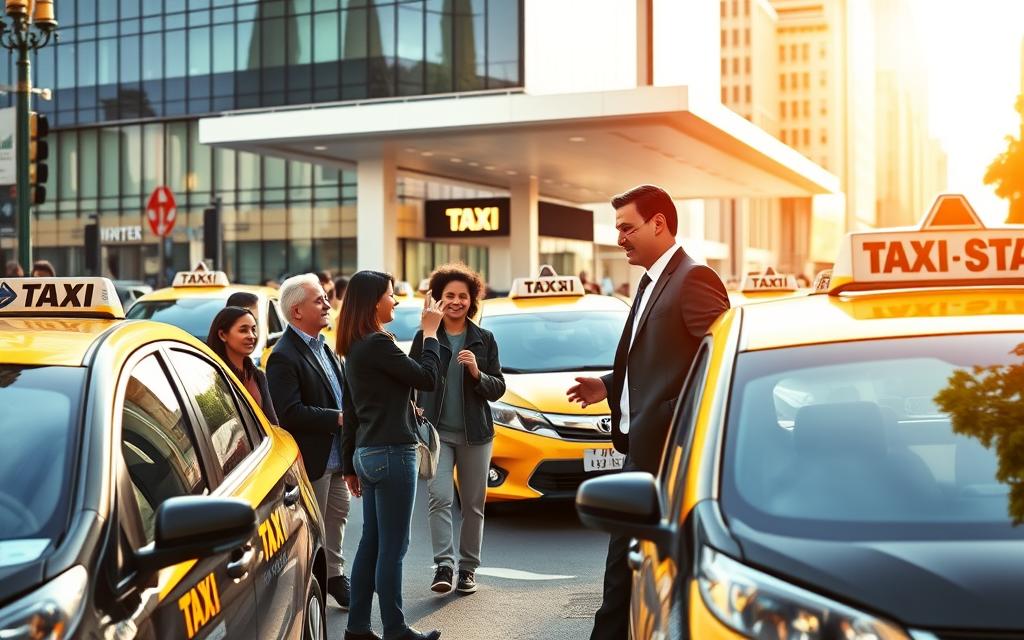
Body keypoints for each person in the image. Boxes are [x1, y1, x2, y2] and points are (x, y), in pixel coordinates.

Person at [567, 184, 729, 640]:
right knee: (631, 569)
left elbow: (717, 365)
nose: (619, 237)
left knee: (630, 568)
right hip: (643, 446)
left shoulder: (693, 278)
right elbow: (654, 359)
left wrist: (671, 417)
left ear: (659, 223)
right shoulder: (653, 280)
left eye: (626, 227)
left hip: (668, 452)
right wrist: (609, 384)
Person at [338, 271, 445, 640]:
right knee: (393, 548)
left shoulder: (355, 345)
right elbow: (427, 378)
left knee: (372, 542)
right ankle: (395, 628)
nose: (395, 301)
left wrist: (350, 462)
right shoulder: (377, 344)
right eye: (390, 294)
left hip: (368, 453)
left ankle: (357, 628)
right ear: (373, 302)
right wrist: (430, 333)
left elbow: (350, 410)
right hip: (392, 452)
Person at [409, 264, 505, 596]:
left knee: (473, 504)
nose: (456, 301)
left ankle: (467, 568)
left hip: (476, 434)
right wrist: (414, 405)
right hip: (436, 434)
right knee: (439, 498)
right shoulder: (425, 337)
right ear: (438, 299)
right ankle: (444, 565)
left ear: (472, 300)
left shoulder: (484, 339)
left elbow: (498, 388)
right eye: (449, 295)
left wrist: (478, 374)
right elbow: (411, 380)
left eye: (462, 296)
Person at [266, 273, 351, 610]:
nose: (328, 303)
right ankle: (309, 588)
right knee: (312, 531)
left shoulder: (324, 346)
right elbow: (289, 412)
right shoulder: (283, 355)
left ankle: (334, 576)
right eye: (319, 300)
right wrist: (338, 417)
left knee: (338, 516)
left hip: (336, 457)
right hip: (310, 461)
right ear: (297, 311)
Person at [206, 306, 278, 425]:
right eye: (243, 330)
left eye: (253, 330)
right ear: (222, 335)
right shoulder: (213, 377)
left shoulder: (258, 376)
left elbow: (272, 424)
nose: (252, 336)